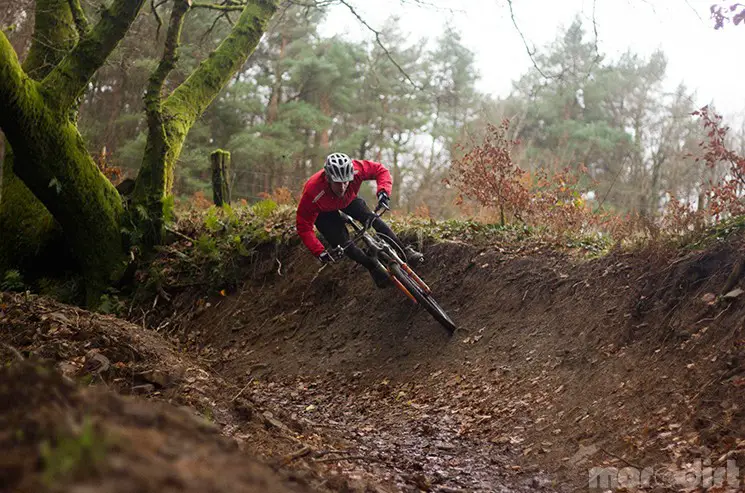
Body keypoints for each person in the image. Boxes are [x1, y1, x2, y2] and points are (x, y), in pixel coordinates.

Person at [296, 152, 423, 288]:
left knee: (373, 219)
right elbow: (303, 226)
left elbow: (381, 170)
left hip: (348, 201)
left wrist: (383, 192)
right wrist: (319, 251)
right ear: (328, 178)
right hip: (324, 212)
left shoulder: (357, 169)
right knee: (345, 244)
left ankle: (405, 250)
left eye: (346, 181)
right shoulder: (312, 191)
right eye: (338, 183)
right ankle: (372, 267)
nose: (343, 187)